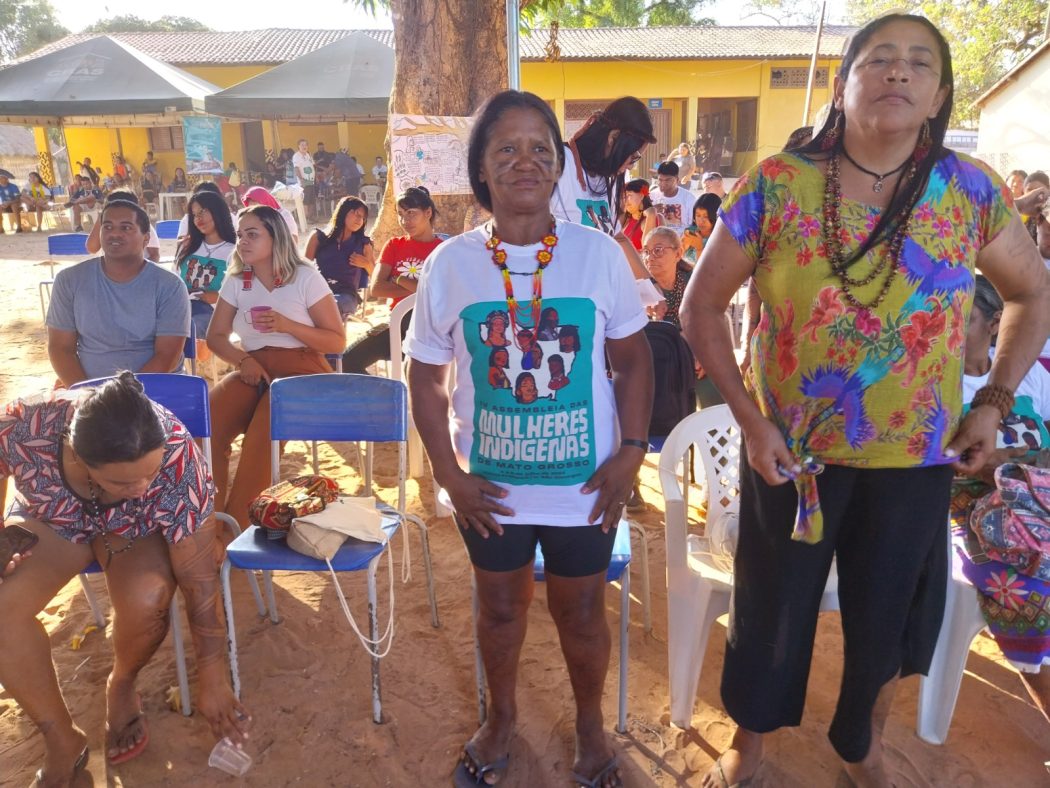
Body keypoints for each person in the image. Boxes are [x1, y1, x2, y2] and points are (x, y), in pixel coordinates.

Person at [679, 14, 1050, 788]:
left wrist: (993, 401)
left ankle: (860, 745)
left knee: (887, 623)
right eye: (880, 59)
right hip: (791, 457)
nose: (899, 73)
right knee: (771, 611)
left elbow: (1030, 291)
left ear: (941, 93)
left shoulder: (970, 191)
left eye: (919, 64)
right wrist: (750, 423)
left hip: (916, 462)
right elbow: (700, 308)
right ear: (844, 83)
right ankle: (752, 744)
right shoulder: (779, 185)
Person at [406, 89, 653, 788]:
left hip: (585, 482)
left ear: (560, 169)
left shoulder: (599, 256)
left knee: (581, 610)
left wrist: (632, 451)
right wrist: (448, 476)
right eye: (506, 149)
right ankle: (501, 718)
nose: (525, 161)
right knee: (501, 606)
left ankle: (589, 727)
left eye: (541, 149)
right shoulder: (450, 265)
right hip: (491, 488)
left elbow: (635, 360)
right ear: (481, 169)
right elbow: (423, 377)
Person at [0, 372, 252, 783]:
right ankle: (61, 737)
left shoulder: (177, 456)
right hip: (54, 519)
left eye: (149, 474)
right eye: (123, 479)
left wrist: (212, 675)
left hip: (133, 530)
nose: (141, 486)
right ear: (79, 457)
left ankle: (122, 683)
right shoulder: (27, 423)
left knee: (149, 597)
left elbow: (199, 578)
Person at [205, 205, 344, 528]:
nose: (243, 242)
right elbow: (216, 337)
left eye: (253, 234)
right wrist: (243, 359)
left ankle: (235, 529)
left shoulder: (305, 276)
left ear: (275, 236)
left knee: (264, 430)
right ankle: (205, 523)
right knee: (208, 424)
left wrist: (288, 325)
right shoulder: (238, 280)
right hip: (255, 366)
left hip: (304, 369)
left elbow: (337, 342)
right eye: (240, 235)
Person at [951, 275, 1050, 725]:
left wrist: (1017, 464)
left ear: (995, 324)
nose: (950, 330)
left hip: (1041, 500)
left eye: (964, 320)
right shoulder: (936, 384)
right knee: (1027, 591)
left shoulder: (1027, 373)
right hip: (968, 516)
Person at [48, 200, 189, 386]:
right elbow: (60, 349)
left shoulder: (170, 286)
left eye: (126, 227)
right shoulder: (68, 280)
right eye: (107, 226)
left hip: (152, 391)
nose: (114, 233)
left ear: (146, 239)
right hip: (87, 393)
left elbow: (167, 357)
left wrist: (118, 398)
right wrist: (86, 394)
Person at [550, 96, 656, 280]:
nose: (632, 166)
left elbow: (617, 237)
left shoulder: (610, 177)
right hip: (559, 292)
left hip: (595, 291)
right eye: (633, 156)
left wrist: (650, 284)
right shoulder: (557, 165)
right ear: (612, 137)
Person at [339, 186, 442, 375]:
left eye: (411, 213)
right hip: (397, 324)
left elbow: (440, 293)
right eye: (401, 214)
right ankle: (385, 400)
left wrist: (399, 278)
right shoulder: (395, 245)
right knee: (347, 360)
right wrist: (419, 289)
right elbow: (377, 288)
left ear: (428, 213)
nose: (405, 220)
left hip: (432, 330)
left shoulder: (443, 249)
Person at [174, 190, 237, 338]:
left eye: (202, 211)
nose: (198, 219)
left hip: (213, 314)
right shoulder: (186, 246)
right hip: (181, 308)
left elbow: (241, 292)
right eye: (194, 215)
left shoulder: (235, 251)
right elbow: (174, 280)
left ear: (217, 211)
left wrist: (217, 297)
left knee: (193, 327)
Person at [304, 196, 375, 320]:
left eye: (363, 217)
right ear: (343, 212)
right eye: (356, 213)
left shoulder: (363, 244)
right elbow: (303, 270)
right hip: (317, 291)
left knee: (330, 307)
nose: (360, 219)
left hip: (345, 296)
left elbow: (376, 277)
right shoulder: (318, 238)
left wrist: (366, 264)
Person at [85, 189, 161, 263]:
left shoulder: (143, 226)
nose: (115, 233)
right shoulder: (104, 225)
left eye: (126, 228)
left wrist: (138, 271)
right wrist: (101, 218)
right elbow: (92, 248)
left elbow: (155, 255)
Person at [642, 227, 691, 329]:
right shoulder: (639, 286)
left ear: (678, 254)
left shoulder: (691, 282)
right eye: (646, 251)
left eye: (658, 250)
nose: (649, 258)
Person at [651, 161, 696, 237]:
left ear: (677, 180)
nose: (663, 184)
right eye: (660, 180)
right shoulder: (652, 196)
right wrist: (652, 212)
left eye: (667, 180)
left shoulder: (689, 198)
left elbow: (693, 225)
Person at [620, 179, 660, 251]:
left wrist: (651, 215)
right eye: (623, 196)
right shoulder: (626, 218)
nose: (625, 200)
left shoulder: (650, 219)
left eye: (629, 195)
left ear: (641, 196)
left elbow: (648, 250)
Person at [682, 193, 721, 264]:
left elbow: (708, 269)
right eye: (698, 215)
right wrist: (682, 248)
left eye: (706, 216)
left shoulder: (720, 239)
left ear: (715, 216)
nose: (701, 221)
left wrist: (699, 248)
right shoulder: (690, 232)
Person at [292, 139, 317, 220]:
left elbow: (313, 166)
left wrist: (316, 177)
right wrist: (302, 180)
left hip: (311, 181)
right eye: (302, 145)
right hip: (304, 181)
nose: (304, 146)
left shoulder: (308, 155)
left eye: (305, 145)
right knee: (305, 200)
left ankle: (310, 217)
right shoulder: (296, 156)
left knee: (312, 200)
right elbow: (296, 168)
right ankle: (306, 218)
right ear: (298, 146)